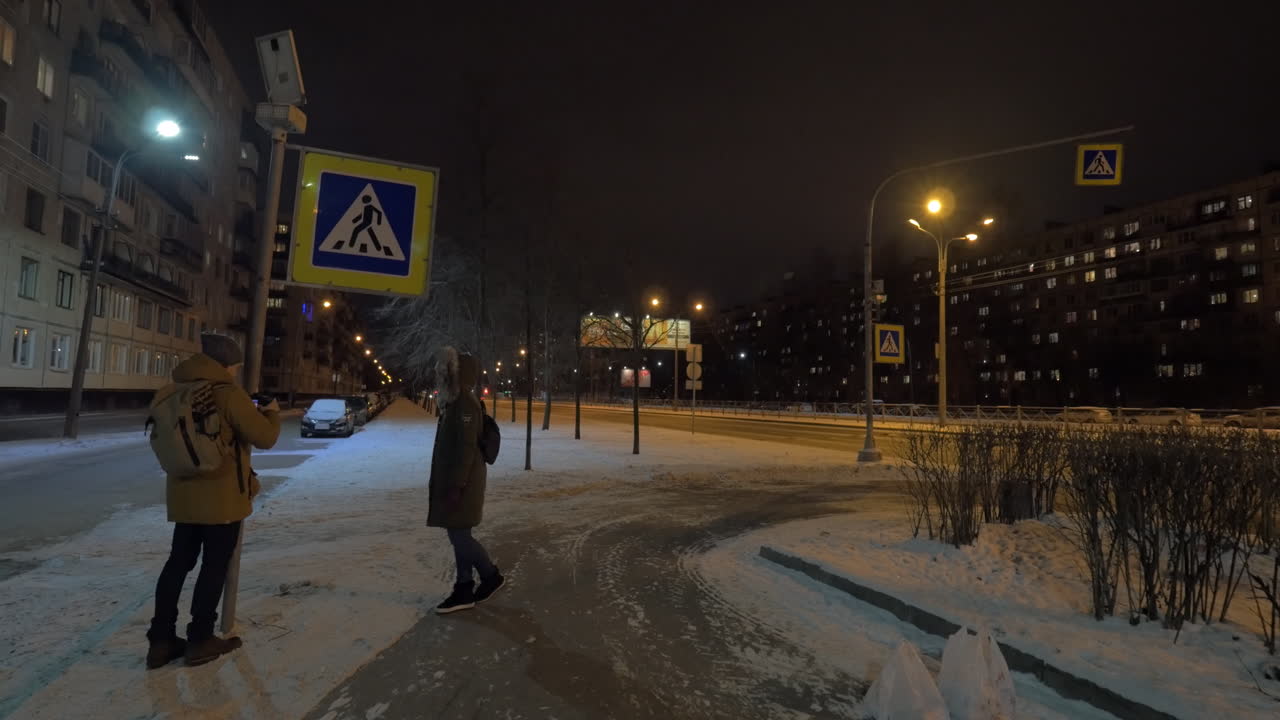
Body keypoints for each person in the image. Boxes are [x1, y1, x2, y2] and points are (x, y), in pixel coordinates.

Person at [145, 333, 281, 668]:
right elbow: (265, 437)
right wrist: (272, 412)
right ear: (225, 365)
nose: (235, 373)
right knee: (214, 566)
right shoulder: (225, 393)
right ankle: (200, 638)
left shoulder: (172, 390)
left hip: (183, 497)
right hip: (221, 499)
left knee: (178, 563)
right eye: (234, 366)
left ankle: (160, 641)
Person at [428, 347, 504, 614]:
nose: (443, 377)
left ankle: (490, 576)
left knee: (460, 535)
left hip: (464, 483)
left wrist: (457, 486)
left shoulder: (464, 404)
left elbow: (467, 448)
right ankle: (464, 587)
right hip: (459, 481)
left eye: (448, 373)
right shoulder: (456, 402)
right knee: (458, 532)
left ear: (459, 375)